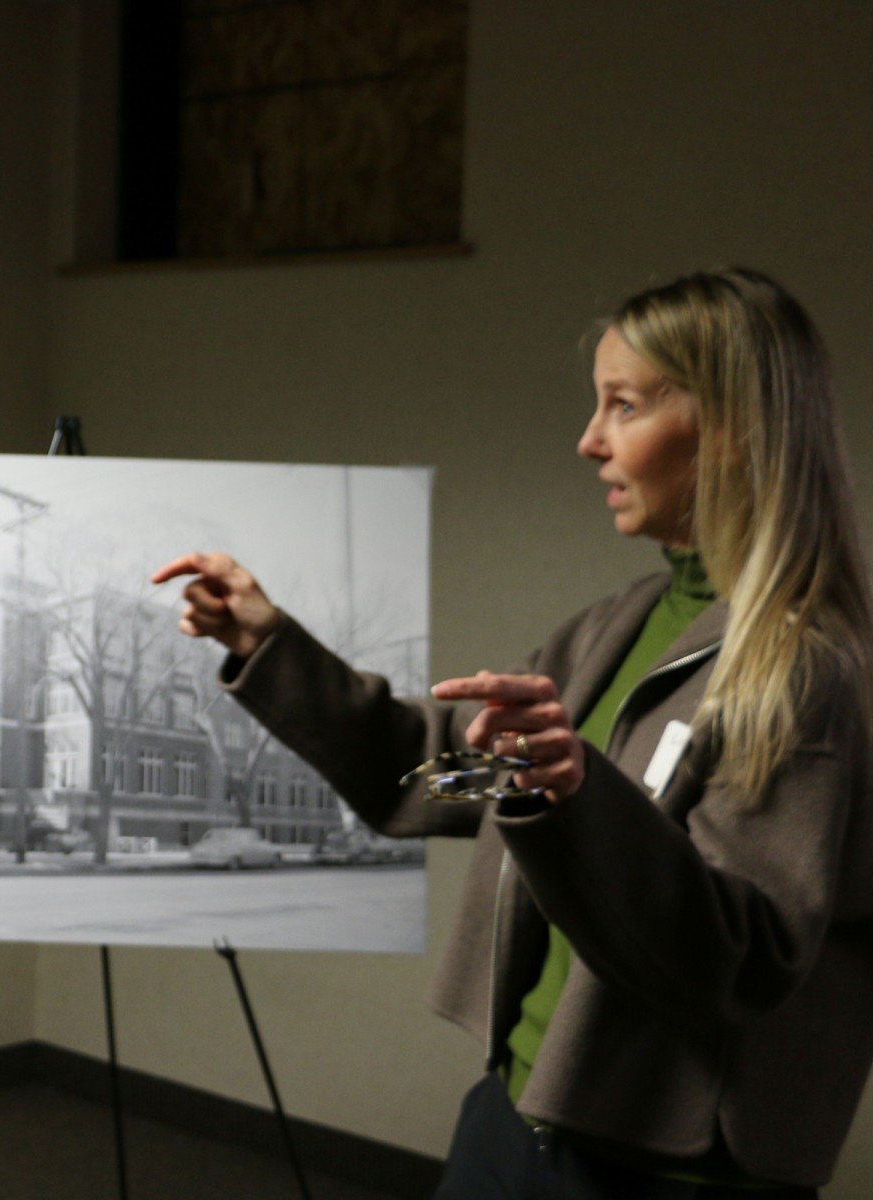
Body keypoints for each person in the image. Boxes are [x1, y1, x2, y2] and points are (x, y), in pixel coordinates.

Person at [153, 268, 873, 1198]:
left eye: (622, 406)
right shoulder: (611, 629)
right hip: (523, 1108)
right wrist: (271, 648)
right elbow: (442, 778)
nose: (589, 440)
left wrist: (577, 795)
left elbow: (736, 961)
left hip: (665, 1167)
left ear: (733, 426)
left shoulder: (803, 672)